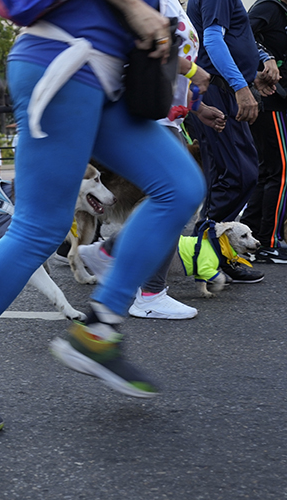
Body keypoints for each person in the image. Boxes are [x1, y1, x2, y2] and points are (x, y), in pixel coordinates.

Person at [0, 0, 207, 434]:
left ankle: (98, 328)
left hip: (103, 79)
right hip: (64, 64)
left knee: (181, 188)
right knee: (37, 231)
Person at [80, 0, 227, 320]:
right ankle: (142, 288)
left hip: (163, 114)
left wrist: (198, 108)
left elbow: (168, 53)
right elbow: (149, 45)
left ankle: (124, 292)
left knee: (177, 195)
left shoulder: (172, 2)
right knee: (180, 194)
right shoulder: (150, 2)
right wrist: (194, 71)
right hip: (146, 112)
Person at [187, 0, 272, 282]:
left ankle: (209, 256)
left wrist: (251, 75)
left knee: (232, 175)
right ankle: (207, 255)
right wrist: (240, 86)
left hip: (221, 89)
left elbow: (230, 39)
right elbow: (212, 40)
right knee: (237, 175)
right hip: (219, 92)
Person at [242, 0, 287, 264]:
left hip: (278, 101)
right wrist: (265, 57)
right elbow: (241, 33)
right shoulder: (268, 8)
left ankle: (253, 237)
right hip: (269, 99)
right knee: (281, 171)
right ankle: (268, 243)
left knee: (269, 171)